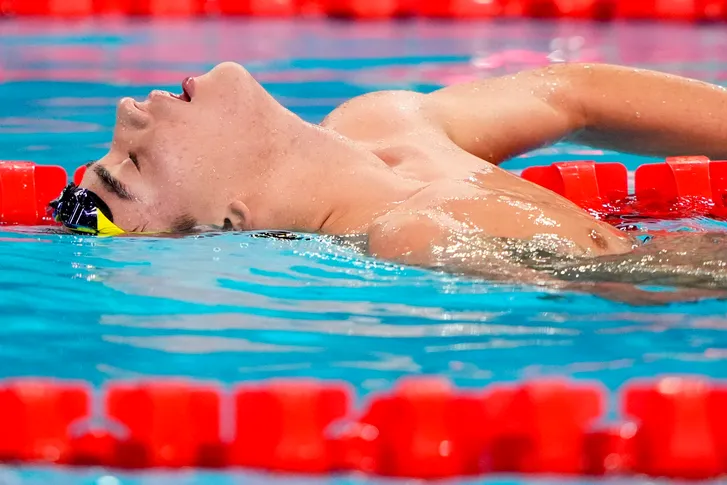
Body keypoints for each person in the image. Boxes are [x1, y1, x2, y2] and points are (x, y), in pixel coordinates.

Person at [51, 61, 727, 296]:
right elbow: (651, 283)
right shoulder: (416, 236)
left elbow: (572, 94)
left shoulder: (380, 121)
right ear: (232, 217)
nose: (126, 111)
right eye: (131, 165)